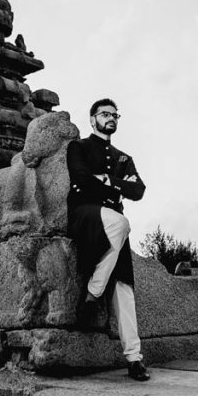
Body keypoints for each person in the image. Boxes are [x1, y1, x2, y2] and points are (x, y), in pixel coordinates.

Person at [67, 98, 150, 381]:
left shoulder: (123, 158)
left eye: (115, 115)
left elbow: (138, 190)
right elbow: (80, 177)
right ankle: (94, 290)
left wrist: (108, 181)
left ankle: (134, 358)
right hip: (85, 216)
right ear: (92, 119)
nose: (111, 118)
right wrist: (115, 186)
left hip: (114, 226)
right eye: (105, 114)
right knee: (121, 222)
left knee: (124, 287)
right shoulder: (77, 147)